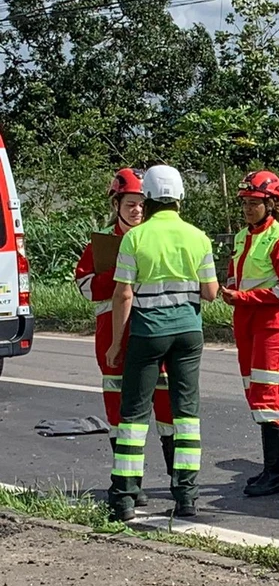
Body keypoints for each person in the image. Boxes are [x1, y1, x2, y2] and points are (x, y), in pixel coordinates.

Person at [106, 165, 219, 521]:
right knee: (186, 415)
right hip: (188, 334)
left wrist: (114, 344)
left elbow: (123, 295)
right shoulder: (199, 237)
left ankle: (124, 498)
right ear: (180, 198)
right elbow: (211, 293)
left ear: (149, 198)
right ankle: (186, 496)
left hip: (147, 334)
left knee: (134, 416)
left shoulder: (135, 239)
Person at [74, 168, 174, 506]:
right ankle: (130, 484)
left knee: (167, 409)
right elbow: (85, 287)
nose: (137, 211)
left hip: (152, 332)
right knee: (120, 416)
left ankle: (178, 482)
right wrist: (118, 278)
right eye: (130, 204)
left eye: (141, 205)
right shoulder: (100, 245)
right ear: (116, 204)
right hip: (112, 336)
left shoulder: (152, 239)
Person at [222, 170, 279, 498]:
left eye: (254, 202)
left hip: (274, 325)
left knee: (270, 397)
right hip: (248, 324)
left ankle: (275, 475)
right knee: (258, 395)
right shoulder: (244, 236)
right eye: (245, 202)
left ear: (271, 203)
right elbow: (235, 271)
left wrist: (242, 297)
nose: (248, 208)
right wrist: (230, 288)